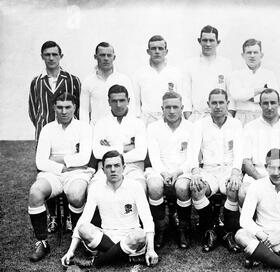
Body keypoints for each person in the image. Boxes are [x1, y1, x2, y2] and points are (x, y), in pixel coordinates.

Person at [61, 150, 159, 268]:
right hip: (106, 237)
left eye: (117, 165)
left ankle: (97, 261)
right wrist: (71, 250)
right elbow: (84, 218)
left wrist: (151, 249)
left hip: (131, 238)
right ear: (103, 170)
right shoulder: (96, 187)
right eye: (108, 166)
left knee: (139, 235)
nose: (113, 169)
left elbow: (147, 219)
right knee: (83, 228)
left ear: (124, 167)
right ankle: (124, 256)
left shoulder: (135, 186)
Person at [28, 93, 93, 262]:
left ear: (75, 108)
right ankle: (42, 241)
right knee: (35, 192)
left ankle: (81, 238)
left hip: (78, 173)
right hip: (53, 173)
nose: (64, 111)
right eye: (60, 107)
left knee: (76, 195)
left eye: (68, 107)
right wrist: (64, 165)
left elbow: (85, 158)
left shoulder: (84, 128)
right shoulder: (47, 129)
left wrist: (56, 159)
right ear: (54, 108)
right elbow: (40, 161)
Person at [188, 88, 243, 253]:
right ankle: (209, 230)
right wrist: (196, 172)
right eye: (214, 103)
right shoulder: (199, 125)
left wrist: (235, 172)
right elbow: (192, 151)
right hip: (208, 171)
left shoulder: (236, 124)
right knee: (196, 188)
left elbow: (239, 152)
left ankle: (228, 232)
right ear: (208, 105)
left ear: (227, 104)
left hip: (228, 170)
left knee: (233, 188)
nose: (218, 106)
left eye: (221, 102)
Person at [145, 91, 194, 249]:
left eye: (175, 107)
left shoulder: (192, 128)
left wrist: (177, 172)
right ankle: (160, 228)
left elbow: (192, 158)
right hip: (159, 170)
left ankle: (183, 229)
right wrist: (164, 172)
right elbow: (154, 157)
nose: (172, 111)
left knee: (181, 187)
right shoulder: (153, 128)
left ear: (182, 108)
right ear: (162, 109)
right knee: (154, 186)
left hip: (182, 171)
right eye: (168, 107)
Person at [238, 88, 280, 205]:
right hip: (258, 173)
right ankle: (251, 223)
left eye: (273, 103)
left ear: (279, 104)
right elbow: (246, 161)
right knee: (243, 193)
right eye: (265, 103)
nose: (269, 107)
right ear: (260, 105)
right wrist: (261, 179)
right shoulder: (250, 127)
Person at [92, 85, 147, 191]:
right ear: (109, 102)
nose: (118, 105)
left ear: (128, 100)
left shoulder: (138, 123)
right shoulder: (101, 123)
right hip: (107, 168)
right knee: (93, 188)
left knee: (140, 188)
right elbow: (97, 152)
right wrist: (125, 148)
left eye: (122, 100)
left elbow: (141, 153)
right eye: (114, 101)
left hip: (132, 167)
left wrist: (110, 149)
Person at [29, 41, 81, 142]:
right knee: (44, 157)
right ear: (42, 56)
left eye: (54, 54)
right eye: (47, 55)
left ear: (61, 56)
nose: (51, 58)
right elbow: (33, 110)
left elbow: (79, 108)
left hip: (69, 132)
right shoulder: (36, 82)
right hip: (44, 131)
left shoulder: (72, 80)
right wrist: (41, 123)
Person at [134, 35, 187, 126]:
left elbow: (182, 100)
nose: (157, 51)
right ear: (148, 51)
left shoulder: (176, 73)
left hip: (170, 120)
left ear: (166, 51)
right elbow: (136, 105)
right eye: (154, 48)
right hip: (147, 122)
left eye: (160, 48)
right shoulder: (139, 74)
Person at [184, 25, 233, 122]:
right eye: (205, 40)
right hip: (197, 117)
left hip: (220, 117)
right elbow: (186, 94)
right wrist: (189, 118)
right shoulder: (190, 64)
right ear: (199, 41)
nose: (208, 44)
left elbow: (230, 93)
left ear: (218, 42)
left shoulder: (226, 64)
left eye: (211, 40)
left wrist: (230, 115)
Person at [80, 42, 135, 126]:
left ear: (114, 57)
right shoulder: (88, 81)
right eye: (102, 55)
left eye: (109, 55)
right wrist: (86, 132)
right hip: (96, 131)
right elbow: (84, 111)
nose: (106, 58)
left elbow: (131, 108)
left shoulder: (124, 80)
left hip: (119, 129)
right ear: (95, 57)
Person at [229, 39, 278, 125]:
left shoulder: (269, 74)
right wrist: (259, 90)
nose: (252, 56)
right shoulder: (236, 74)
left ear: (261, 55)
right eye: (249, 52)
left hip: (262, 117)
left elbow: (272, 97)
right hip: (242, 117)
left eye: (255, 52)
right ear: (243, 55)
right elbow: (237, 95)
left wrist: (247, 96)